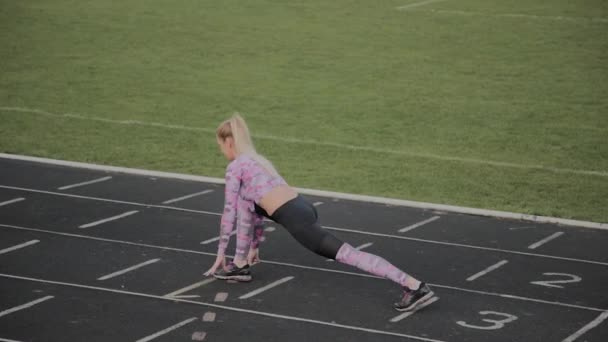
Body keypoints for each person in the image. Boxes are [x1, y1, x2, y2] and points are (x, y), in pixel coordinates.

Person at [204, 113, 434, 311]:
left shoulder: (235, 167)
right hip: (302, 206)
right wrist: (253, 247)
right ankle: (241, 265)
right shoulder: (258, 162)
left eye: (219, 145)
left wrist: (220, 253)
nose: (220, 150)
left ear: (229, 142)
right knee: (248, 204)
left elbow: (228, 212)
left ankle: (414, 285)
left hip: (296, 217)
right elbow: (253, 212)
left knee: (348, 254)